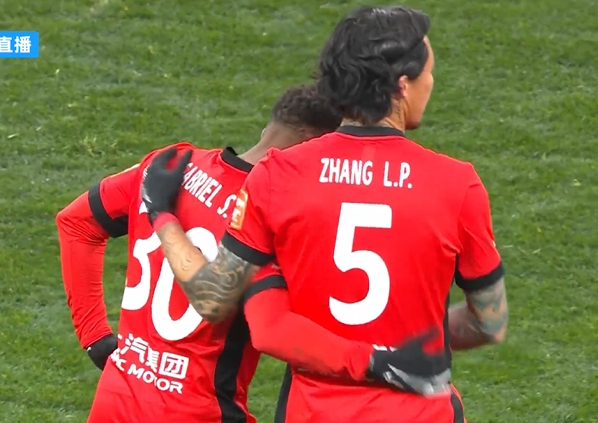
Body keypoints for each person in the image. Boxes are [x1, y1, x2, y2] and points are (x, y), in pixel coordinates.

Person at [140, 6, 509, 423]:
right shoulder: (457, 184)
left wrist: (162, 215)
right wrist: (409, 349)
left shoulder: (276, 175)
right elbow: (489, 321)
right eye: (429, 72)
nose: (432, 82)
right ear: (402, 86)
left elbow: (212, 298)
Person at [57, 85, 392, 423]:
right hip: (200, 413)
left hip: (116, 403)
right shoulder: (274, 218)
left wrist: (95, 337)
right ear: (309, 145)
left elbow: (76, 223)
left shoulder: (170, 163)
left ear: (270, 127)